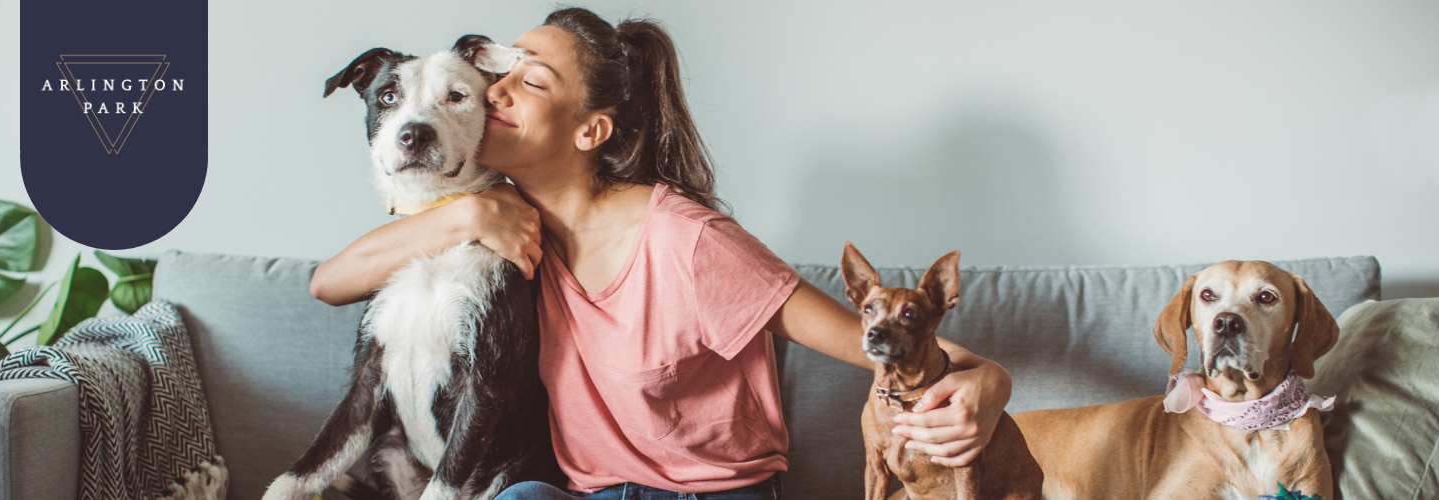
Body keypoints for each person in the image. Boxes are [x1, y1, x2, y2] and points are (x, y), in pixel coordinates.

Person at [309, 8, 1013, 500]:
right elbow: (330, 283)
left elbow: (882, 346)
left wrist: (991, 381)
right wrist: (462, 212)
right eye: (500, 73)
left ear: (591, 132)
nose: (495, 89)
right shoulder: (502, 225)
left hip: (708, 496)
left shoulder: (689, 242)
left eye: (529, 79)